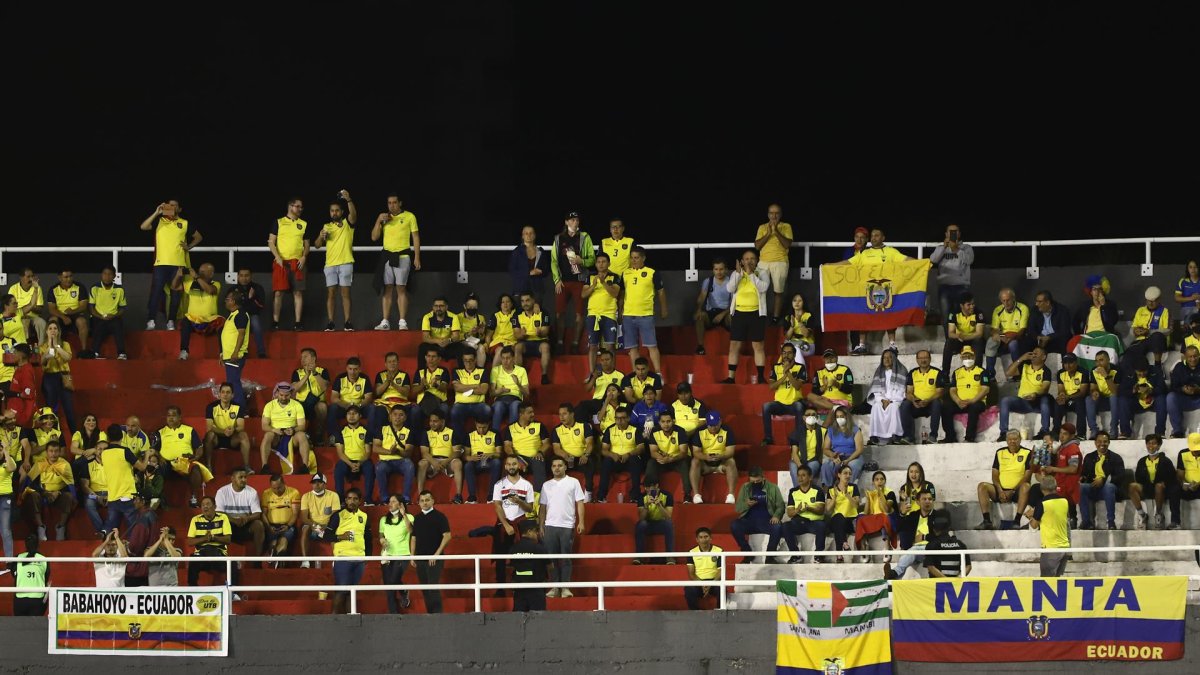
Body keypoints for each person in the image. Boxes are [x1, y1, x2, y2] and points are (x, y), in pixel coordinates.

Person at [140, 201, 202, 330]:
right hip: (161, 263)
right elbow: (143, 227)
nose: (171, 207)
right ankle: (151, 320)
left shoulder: (185, 223)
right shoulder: (160, 221)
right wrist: (157, 212)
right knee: (156, 291)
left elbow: (198, 237)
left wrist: (189, 246)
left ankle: (171, 321)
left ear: (179, 208)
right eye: (169, 205)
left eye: (174, 205)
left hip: (178, 265)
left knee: (176, 293)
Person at [538, 457, 587, 598]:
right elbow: (543, 507)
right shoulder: (546, 485)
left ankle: (565, 587)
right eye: (554, 465)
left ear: (565, 467)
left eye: (560, 465)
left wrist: (581, 522)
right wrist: (541, 525)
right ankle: (554, 587)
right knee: (551, 559)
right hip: (550, 525)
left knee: (565, 557)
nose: (557, 468)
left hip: (567, 525)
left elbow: (580, 503)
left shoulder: (573, 482)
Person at [372, 194, 421, 331]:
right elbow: (374, 237)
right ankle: (385, 321)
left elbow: (415, 237)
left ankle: (402, 321)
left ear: (400, 203)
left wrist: (417, 257)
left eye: (394, 202)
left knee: (401, 288)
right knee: (387, 289)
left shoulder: (410, 216)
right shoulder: (384, 218)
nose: (392, 205)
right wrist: (378, 221)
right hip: (387, 256)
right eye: (389, 203)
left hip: (403, 255)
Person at [550, 211, 596, 354]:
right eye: (571, 220)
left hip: (580, 281)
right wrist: (557, 280)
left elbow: (592, 259)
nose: (574, 223)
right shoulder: (558, 239)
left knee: (579, 314)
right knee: (559, 313)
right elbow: (554, 261)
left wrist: (581, 261)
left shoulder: (584, 237)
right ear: (566, 222)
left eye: (576, 220)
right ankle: (559, 342)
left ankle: (575, 343)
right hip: (563, 282)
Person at [721, 249, 769, 385]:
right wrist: (737, 274)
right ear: (741, 261)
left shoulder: (763, 273)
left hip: (756, 314)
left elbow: (763, 288)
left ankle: (760, 377)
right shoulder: (736, 274)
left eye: (752, 258)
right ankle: (731, 377)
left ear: (757, 260)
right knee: (734, 345)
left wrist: (751, 274)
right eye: (746, 259)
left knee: (758, 346)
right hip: (739, 313)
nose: (749, 261)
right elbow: (729, 289)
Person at [321, 487, 371, 614]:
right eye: (349, 498)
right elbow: (326, 535)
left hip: (360, 559)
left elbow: (368, 538)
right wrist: (340, 537)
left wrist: (367, 557)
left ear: (360, 501)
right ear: (345, 500)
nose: (352, 501)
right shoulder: (338, 515)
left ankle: (351, 621)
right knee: (341, 591)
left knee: (351, 593)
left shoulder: (364, 516)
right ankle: (334, 619)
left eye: (355, 499)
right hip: (343, 558)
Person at [154, 405, 213, 508]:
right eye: (168, 415)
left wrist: (196, 457)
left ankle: (194, 498)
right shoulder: (160, 432)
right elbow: (153, 450)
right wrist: (159, 457)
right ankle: (159, 498)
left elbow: (199, 447)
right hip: (166, 463)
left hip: (184, 462)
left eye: (174, 415)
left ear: (180, 417)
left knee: (195, 468)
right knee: (156, 468)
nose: (171, 418)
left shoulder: (189, 430)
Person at [314, 189, 357, 332]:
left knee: (345, 293)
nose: (334, 213)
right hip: (330, 264)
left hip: (345, 263)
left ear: (342, 212)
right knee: (331, 293)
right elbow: (317, 245)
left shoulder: (347, 223)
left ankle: (348, 322)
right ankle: (331, 322)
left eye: (337, 211)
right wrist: (321, 236)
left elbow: (354, 216)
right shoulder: (326, 226)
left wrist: (349, 200)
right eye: (332, 211)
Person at [491, 455, 535, 592]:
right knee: (500, 558)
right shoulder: (499, 484)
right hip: (503, 524)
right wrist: (505, 524)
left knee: (523, 556)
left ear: (519, 466)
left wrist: (520, 501)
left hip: (521, 523)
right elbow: (497, 506)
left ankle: (522, 585)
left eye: (514, 464)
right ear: (505, 467)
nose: (511, 466)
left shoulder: (527, 485)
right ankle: (500, 587)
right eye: (509, 464)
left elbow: (530, 508)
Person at [622, 246, 668, 376]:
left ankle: (658, 374)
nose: (633, 260)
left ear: (643, 258)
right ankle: (636, 375)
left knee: (651, 346)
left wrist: (664, 309)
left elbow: (661, 292)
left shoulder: (652, 272)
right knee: (632, 348)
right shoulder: (625, 273)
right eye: (631, 258)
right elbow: (621, 294)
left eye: (636, 258)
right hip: (628, 315)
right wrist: (620, 311)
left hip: (645, 315)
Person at [975, 430, 1033, 530]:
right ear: (1006, 440)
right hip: (1000, 491)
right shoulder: (1000, 452)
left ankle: (1017, 521)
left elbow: (1027, 476)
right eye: (1010, 439)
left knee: (1026, 486)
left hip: (1017, 492)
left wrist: (1012, 491)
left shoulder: (1027, 453)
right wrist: (1000, 490)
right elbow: (995, 475)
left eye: (1015, 439)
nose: (1012, 442)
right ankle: (987, 521)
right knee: (982, 486)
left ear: (1020, 440)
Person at [268, 198, 309, 330]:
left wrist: (304, 257)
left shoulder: (304, 224)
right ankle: (275, 322)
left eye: (301, 207)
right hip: (281, 263)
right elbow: (271, 242)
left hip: (297, 263)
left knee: (298, 293)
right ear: (290, 206)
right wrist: (277, 257)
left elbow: (307, 244)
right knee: (279, 293)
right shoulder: (279, 222)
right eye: (298, 206)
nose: (300, 209)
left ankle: (298, 323)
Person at [730, 466, 785, 563]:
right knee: (735, 525)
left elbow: (780, 505)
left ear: (763, 477)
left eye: (758, 481)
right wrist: (747, 504)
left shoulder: (773, 487)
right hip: (749, 521)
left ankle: (770, 556)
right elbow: (738, 508)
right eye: (753, 481)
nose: (755, 483)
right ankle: (747, 552)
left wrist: (776, 515)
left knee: (777, 526)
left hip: (767, 521)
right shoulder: (745, 487)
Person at [997, 346, 1054, 441]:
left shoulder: (1046, 371)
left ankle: (1045, 431)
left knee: (1045, 398)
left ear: (1043, 357)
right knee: (1005, 400)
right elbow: (1008, 373)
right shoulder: (1024, 366)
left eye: (1037, 353)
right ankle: (1004, 433)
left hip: (1037, 402)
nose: (1033, 354)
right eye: (1033, 352)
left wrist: (1035, 394)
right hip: (1023, 402)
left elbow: (1044, 388)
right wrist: (1021, 358)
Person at [23, 440, 75, 541]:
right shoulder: (40, 463)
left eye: (56, 451)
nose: (53, 454)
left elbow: (70, 485)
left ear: (60, 452)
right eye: (51, 451)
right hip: (43, 493)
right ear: (46, 452)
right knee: (33, 495)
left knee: (69, 496)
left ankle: (60, 527)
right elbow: (31, 482)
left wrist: (58, 492)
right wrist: (45, 493)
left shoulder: (65, 465)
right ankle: (41, 527)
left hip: (59, 494)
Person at [582, 252, 622, 378]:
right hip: (593, 315)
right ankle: (592, 373)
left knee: (610, 346)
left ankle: (611, 373)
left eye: (604, 262)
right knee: (593, 346)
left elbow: (615, 294)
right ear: (596, 264)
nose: (601, 264)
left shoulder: (615, 277)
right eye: (598, 262)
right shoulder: (589, 277)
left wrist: (603, 282)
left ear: (609, 263)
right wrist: (593, 285)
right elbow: (583, 295)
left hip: (609, 315)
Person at [1129, 434, 1181, 530]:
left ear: (1159, 445)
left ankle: (1158, 515)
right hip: (1147, 488)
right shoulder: (1142, 461)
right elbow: (1138, 478)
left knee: (1159, 485)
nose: (1151, 446)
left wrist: (1163, 483)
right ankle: (1142, 515)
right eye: (1148, 443)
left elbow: (1172, 478)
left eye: (1154, 443)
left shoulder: (1165, 461)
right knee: (1132, 486)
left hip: (1162, 490)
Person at [260, 382, 313, 475]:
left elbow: (302, 426)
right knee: (268, 435)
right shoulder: (269, 405)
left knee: (301, 435)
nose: (284, 398)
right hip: (276, 433)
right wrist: (274, 430)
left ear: (291, 394)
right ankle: (264, 466)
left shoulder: (297, 405)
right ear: (276, 393)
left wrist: (293, 430)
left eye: (286, 395)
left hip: (291, 434)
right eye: (281, 395)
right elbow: (264, 425)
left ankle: (305, 466)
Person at [1037, 424, 1083, 530]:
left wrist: (1053, 469)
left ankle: (1072, 521)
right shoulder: (1063, 447)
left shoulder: (1073, 449)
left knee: (1069, 504)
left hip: (1069, 485)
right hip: (1061, 483)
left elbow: (1073, 469)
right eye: (1061, 433)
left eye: (1065, 434)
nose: (1061, 436)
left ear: (1072, 436)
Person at [412, 490, 451, 613]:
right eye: (422, 500)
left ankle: (437, 615)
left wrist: (436, 555)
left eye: (427, 500)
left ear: (433, 501)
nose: (425, 503)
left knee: (432, 586)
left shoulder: (440, 517)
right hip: (420, 559)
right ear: (418, 503)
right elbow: (413, 537)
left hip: (435, 559)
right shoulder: (417, 519)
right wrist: (412, 556)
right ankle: (430, 614)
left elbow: (447, 536)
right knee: (425, 588)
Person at [929, 223, 974, 330]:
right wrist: (944, 247)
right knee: (946, 318)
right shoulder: (940, 248)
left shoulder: (966, 248)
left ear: (959, 234)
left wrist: (956, 249)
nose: (953, 233)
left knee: (961, 316)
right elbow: (933, 260)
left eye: (955, 231)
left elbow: (969, 260)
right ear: (946, 234)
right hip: (945, 287)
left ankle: (961, 342)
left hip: (961, 286)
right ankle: (950, 342)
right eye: (950, 231)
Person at [187, 496, 238, 589]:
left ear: (214, 506)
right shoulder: (195, 519)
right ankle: (192, 589)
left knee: (233, 564)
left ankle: (233, 592)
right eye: (203, 505)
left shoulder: (223, 517)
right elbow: (190, 542)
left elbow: (228, 540)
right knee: (193, 561)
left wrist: (214, 538)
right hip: (201, 555)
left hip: (219, 555)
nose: (205, 507)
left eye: (208, 504)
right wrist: (205, 539)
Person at [174, 262, 223, 360]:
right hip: (194, 320)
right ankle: (184, 351)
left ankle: (223, 353)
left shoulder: (216, 284)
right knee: (185, 321)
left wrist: (196, 277)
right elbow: (174, 287)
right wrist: (178, 276)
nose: (201, 273)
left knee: (222, 322)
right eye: (200, 271)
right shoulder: (190, 284)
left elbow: (209, 290)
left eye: (204, 271)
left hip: (210, 321)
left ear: (211, 274)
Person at [883, 490, 935, 580]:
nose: (927, 501)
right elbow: (898, 528)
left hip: (931, 549)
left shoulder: (938, 515)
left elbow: (942, 536)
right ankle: (892, 576)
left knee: (911, 551)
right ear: (918, 502)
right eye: (924, 499)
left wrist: (924, 537)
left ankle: (894, 573)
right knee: (911, 552)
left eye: (930, 499)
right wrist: (902, 514)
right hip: (915, 550)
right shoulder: (913, 515)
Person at [753, 204, 793, 322]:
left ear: (780, 214)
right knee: (759, 290)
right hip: (763, 262)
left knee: (778, 291)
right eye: (771, 213)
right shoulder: (762, 227)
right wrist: (768, 234)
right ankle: (760, 315)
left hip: (780, 262)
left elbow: (787, 244)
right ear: (768, 214)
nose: (774, 216)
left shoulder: (786, 226)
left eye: (776, 213)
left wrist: (776, 233)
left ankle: (775, 317)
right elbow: (757, 246)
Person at [1078, 431, 1126, 530]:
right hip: (1092, 487)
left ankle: (1111, 522)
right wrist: (1082, 478)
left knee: (1108, 487)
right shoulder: (1089, 457)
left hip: (1110, 490)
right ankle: (1086, 522)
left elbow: (1120, 476)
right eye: (1099, 441)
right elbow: (1084, 473)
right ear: (1095, 443)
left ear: (1109, 443)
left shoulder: (1116, 458)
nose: (1102, 444)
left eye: (1105, 441)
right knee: (1081, 487)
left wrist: (1103, 480)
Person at [762, 343, 807, 445]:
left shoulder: (800, 367)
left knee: (800, 406)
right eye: (784, 353)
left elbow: (797, 386)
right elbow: (771, 387)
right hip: (779, 404)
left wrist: (788, 373)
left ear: (794, 355)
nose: (786, 355)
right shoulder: (776, 367)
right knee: (766, 406)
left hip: (794, 403)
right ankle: (768, 438)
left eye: (789, 353)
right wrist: (783, 377)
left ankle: (798, 439)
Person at [416, 410, 465, 503]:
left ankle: (458, 495)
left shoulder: (451, 432)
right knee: (422, 463)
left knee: (458, 463)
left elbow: (457, 452)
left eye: (435, 421)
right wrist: (434, 462)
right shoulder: (426, 433)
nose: (432, 424)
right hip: (432, 460)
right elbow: (424, 452)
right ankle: (421, 496)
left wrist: (446, 461)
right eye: (430, 421)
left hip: (448, 461)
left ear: (442, 422)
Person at [689, 411, 737, 505]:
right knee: (695, 462)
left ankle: (731, 494)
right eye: (710, 425)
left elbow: (730, 451)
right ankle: (696, 495)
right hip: (705, 463)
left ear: (720, 422)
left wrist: (721, 456)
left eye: (715, 425)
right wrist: (705, 457)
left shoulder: (727, 431)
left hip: (721, 462)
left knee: (731, 461)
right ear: (706, 423)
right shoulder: (699, 432)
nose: (713, 427)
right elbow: (696, 452)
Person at [597, 408, 645, 503]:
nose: (620, 421)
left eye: (623, 418)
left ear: (628, 418)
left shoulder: (635, 429)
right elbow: (604, 450)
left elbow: (641, 448)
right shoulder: (610, 430)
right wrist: (612, 454)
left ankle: (635, 496)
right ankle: (601, 496)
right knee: (606, 462)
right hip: (615, 460)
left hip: (630, 460)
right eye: (617, 418)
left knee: (635, 460)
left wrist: (629, 454)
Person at [1026, 475, 1071, 577]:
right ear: (1056, 487)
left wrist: (1029, 516)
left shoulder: (1042, 504)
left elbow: (1034, 525)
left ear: (1042, 489)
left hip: (1050, 548)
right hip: (1065, 548)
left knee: (1047, 582)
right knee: (1057, 582)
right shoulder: (1065, 501)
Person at [373, 406, 417, 506]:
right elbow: (375, 448)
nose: (397, 417)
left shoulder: (409, 431)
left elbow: (408, 452)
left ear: (405, 418)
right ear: (390, 417)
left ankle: (406, 498)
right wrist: (390, 452)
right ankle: (384, 499)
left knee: (409, 465)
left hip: (402, 461)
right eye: (395, 414)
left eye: (401, 415)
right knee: (380, 467)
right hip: (385, 461)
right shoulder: (382, 429)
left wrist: (397, 451)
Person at [378, 494, 415, 613]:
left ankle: (403, 591)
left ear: (400, 504)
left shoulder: (409, 517)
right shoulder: (383, 519)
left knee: (393, 580)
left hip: (402, 554)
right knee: (389, 588)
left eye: (393, 501)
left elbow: (411, 531)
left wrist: (404, 514)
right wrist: (382, 540)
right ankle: (393, 615)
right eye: (389, 501)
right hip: (386, 555)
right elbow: (381, 535)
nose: (390, 504)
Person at [646, 410, 693, 502]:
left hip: (677, 459)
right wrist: (661, 458)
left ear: (673, 421)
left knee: (684, 463)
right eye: (663, 422)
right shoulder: (655, 431)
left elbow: (683, 452)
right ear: (659, 422)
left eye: (668, 421)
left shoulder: (680, 431)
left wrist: (671, 459)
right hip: (663, 460)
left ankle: (687, 495)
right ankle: (651, 493)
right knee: (651, 462)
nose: (666, 424)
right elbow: (653, 452)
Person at [782, 464, 826, 563]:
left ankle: (819, 555)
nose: (800, 478)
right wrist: (797, 510)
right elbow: (790, 513)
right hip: (798, 522)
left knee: (822, 525)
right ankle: (796, 555)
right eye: (798, 475)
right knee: (785, 526)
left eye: (803, 475)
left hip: (814, 522)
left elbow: (821, 510)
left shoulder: (818, 491)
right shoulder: (793, 491)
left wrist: (809, 508)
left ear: (810, 477)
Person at [333, 406, 376, 503]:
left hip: (362, 460)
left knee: (369, 467)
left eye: (354, 413)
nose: (351, 416)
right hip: (346, 461)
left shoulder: (366, 430)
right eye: (349, 413)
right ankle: (340, 499)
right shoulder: (340, 431)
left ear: (360, 416)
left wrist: (359, 463)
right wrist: (350, 463)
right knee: (339, 468)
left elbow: (368, 452)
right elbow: (340, 453)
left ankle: (368, 499)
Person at [1115, 356, 1167, 439]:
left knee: (1161, 399)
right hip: (1136, 402)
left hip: (1152, 400)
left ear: (1148, 368)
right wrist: (1133, 391)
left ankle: (1160, 432)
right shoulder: (1129, 374)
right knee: (1122, 400)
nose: (1142, 374)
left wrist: (1150, 390)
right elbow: (1121, 392)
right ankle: (1125, 432)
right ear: (1134, 370)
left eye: (1144, 371)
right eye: (1139, 372)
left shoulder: (1156, 371)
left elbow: (1163, 389)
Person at [900, 350, 946, 444]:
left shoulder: (937, 372)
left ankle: (933, 436)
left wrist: (928, 400)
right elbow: (908, 392)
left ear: (930, 359)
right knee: (905, 404)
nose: (923, 360)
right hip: (916, 404)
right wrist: (913, 400)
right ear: (917, 360)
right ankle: (909, 437)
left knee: (937, 402)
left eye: (925, 358)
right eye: (920, 358)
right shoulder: (912, 373)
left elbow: (940, 392)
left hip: (931, 404)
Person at [866, 348, 909, 445]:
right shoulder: (879, 372)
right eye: (884, 358)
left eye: (889, 357)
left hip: (895, 400)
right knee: (876, 407)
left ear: (894, 358)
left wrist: (891, 401)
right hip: (882, 400)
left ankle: (894, 436)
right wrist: (882, 400)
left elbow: (903, 391)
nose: (887, 360)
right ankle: (874, 435)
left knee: (893, 408)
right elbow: (876, 391)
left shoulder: (902, 371)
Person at [503, 402, 550, 491]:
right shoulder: (511, 428)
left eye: (533, 412)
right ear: (521, 414)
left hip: (535, 457)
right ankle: (508, 494)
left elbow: (547, 443)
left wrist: (540, 452)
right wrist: (515, 458)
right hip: (519, 458)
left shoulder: (539, 425)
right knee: (510, 464)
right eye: (529, 413)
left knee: (538, 461)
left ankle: (538, 495)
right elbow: (507, 446)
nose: (533, 414)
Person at [551, 403, 595, 498]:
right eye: (560, 414)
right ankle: (555, 493)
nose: (561, 417)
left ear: (572, 414)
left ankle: (588, 493)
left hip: (581, 458)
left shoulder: (584, 426)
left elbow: (590, 444)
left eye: (564, 414)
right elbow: (556, 449)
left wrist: (586, 454)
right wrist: (565, 455)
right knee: (554, 464)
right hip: (566, 459)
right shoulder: (557, 430)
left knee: (590, 462)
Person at [984, 288, 1031, 375]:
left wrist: (1011, 337)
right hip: (1003, 337)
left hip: (1018, 337)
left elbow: (1022, 330)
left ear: (1013, 298)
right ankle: (990, 374)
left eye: (1008, 300)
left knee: (1013, 344)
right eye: (1003, 301)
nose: (1006, 303)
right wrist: (1001, 337)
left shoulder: (1023, 308)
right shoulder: (997, 310)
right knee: (991, 341)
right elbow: (994, 329)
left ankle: (1017, 373)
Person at [47, 269, 92, 358]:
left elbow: (83, 306)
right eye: (66, 277)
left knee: (82, 321)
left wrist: (73, 311)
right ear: (60, 278)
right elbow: (51, 309)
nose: (69, 279)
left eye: (71, 276)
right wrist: (63, 317)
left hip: (75, 314)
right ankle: (52, 349)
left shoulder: (80, 287)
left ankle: (83, 351)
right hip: (60, 315)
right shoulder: (53, 289)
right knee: (52, 320)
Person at [327, 357, 373, 445]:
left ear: (360, 369)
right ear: (346, 368)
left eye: (355, 369)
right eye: (350, 369)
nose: (352, 372)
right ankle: (333, 436)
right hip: (344, 406)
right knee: (333, 408)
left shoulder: (365, 378)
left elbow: (368, 398)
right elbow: (334, 398)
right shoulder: (340, 378)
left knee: (372, 408)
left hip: (359, 407)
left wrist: (358, 406)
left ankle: (369, 437)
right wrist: (346, 405)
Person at [39, 321, 75, 430]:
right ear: (46, 331)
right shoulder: (43, 346)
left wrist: (56, 346)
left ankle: (76, 437)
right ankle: (53, 436)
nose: (53, 331)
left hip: (63, 377)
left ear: (59, 331)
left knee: (69, 409)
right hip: (49, 378)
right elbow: (45, 359)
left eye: (55, 328)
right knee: (51, 409)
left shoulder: (65, 344)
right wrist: (50, 345)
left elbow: (68, 357)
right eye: (50, 328)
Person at [204, 382, 251, 467]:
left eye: (228, 392)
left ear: (232, 395)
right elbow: (209, 427)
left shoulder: (238, 407)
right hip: (217, 438)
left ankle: (247, 466)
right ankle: (208, 466)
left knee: (243, 435)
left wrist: (233, 430)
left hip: (232, 438)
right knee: (209, 435)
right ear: (219, 394)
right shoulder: (211, 407)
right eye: (223, 392)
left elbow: (241, 426)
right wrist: (223, 431)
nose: (225, 395)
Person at [224, 269, 269, 358]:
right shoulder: (233, 290)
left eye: (246, 275)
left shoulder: (257, 288)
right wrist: (249, 300)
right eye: (241, 275)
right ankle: (233, 352)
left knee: (256, 324)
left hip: (252, 314)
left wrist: (249, 299)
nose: (244, 278)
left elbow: (260, 306)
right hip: (237, 315)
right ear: (237, 276)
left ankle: (261, 352)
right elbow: (229, 306)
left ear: (251, 276)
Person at [299, 473, 341, 567]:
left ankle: (336, 560)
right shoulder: (306, 496)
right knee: (305, 529)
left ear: (325, 484)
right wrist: (316, 526)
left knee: (335, 530)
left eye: (319, 482)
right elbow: (304, 518)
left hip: (328, 527)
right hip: (312, 526)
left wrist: (326, 527)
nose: (316, 485)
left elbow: (335, 516)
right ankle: (305, 561)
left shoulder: (333, 496)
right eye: (314, 482)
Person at [631, 477, 675, 565]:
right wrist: (646, 506)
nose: (647, 490)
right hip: (648, 524)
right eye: (646, 488)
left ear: (657, 486)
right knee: (640, 524)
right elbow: (641, 518)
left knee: (669, 524)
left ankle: (670, 556)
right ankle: (639, 556)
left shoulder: (667, 496)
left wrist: (659, 505)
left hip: (661, 524)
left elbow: (668, 517)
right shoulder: (642, 497)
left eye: (649, 487)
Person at [218, 290, 251, 406]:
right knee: (232, 382)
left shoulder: (240, 314)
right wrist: (222, 354)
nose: (225, 302)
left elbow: (241, 334)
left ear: (233, 301)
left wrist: (236, 352)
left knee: (234, 383)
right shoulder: (232, 316)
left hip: (235, 356)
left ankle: (240, 410)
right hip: (230, 355)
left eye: (227, 299)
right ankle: (238, 408)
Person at [87, 266, 127, 359]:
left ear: (114, 276)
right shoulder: (95, 288)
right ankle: (95, 352)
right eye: (105, 274)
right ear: (101, 275)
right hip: (98, 317)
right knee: (99, 324)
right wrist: (101, 316)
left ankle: (121, 353)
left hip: (113, 317)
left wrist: (113, 315)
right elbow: (91, 308)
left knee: (117, 324)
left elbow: (122, 308)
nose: (107, 276)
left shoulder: (119, 289)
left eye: (109, 274)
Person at [513, 292, 553, 385]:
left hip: (540, 342)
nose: (525, 303)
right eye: (522, 301)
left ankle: (544, 375)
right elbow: (516, 334)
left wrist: (540, 333)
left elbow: (545, 331)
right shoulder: (517, 314)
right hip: (525, 342)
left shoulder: (543, 312)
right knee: (518, 347)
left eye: (527, 300)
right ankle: (518, 376)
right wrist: (521, 335)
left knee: (545, 347)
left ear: (533, 301)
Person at [509, 519, 550, 611]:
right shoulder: (539, 548)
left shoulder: (513, 548)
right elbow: (550, 566)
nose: (537, 534)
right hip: (536, 589)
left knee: (519, 619)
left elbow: (511, 566)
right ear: (529, 532)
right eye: (536, 531)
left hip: (519, 590)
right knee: (538, 620)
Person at [693, 258, 731, 356]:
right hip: (711, 312)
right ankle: (700, 347)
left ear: (726, 270)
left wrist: (722, 314)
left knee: (734, 318)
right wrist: (698, 310)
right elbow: (701, 297)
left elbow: (736, 302)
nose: (719, 272)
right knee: (700, 316)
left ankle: (735, 348)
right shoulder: (708, 281)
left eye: (721, 269)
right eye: (716, 269)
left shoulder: (731, 282)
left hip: (726, 312)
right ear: (713, 270)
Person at [825, 464, 862, 562]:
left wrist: (847, 495)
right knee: (838, 517)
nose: (848, 476)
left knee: (840, 525)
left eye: (850, 474)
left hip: (850, 520)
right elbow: (828, 509)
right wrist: (834, 499)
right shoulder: (831, 490)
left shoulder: (853, 488)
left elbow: (856, 506)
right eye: (845, 473)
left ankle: (839, 554)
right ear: (839, 475)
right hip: (836, 520)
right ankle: (844, 543)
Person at [820, 406, 864, 488]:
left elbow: (860, 449)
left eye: (841, 416)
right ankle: (828, 490)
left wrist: (848, 460)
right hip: (837, 456)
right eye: (837, 417)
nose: (839, 419)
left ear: (847, 417)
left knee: (852, 466)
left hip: (853, 457)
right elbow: (825, 449)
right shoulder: (831, 430)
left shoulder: (855, 430)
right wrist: (833, 455)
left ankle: (848, 488)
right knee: (826, 465)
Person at [855, 471, 898, 555]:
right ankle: (864, 548)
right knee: (860, 517)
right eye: (877, 479)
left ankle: (887, 548)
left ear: (885, 481)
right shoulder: (872, 493)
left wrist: (880, 493)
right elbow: (867, 513)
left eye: (882, 479)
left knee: (884, 517)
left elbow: (886, 510)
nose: (879, 481)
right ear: (873, 482)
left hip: (889, 518)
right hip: (877, 519)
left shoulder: (890, 493)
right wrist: (868, 499)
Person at [1125, 286, 1170, 367]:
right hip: (1141, 341)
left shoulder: (1165, 311)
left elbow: (1168, 330)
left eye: (1153, 301)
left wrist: (1149, 332)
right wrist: (1134, 331)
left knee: (1157, 336)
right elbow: (1133, 328)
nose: (1150, 303)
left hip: (1157, 341)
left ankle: (1158, 367)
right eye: (1148, 301)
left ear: (1159, 300)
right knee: (1129, 353)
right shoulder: (1140, 310)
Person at [941, 292, 985, 374]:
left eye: (973, 304)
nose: (972, 307)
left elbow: (979, 333)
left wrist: (964, 337)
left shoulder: (978, 313)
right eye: (969, 305)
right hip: (960, 340)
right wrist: (958, 336)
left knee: (979, 341)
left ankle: (978, 373)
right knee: (949, 342)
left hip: (973, 340)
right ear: (962, 306)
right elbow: (950, 333)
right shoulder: (954, 313)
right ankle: (945, 373)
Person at [450, 351, 491, 435]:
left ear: (475, 360)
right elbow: (457, 388)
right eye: (466, 360)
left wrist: (464, 387)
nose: (468, 363)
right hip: (460, 404)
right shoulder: (457, 371)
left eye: (471, 360)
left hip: (478, 404)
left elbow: (483, 390)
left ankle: (482, 439)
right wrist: (475, 385)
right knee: (454, 411)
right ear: (463, 360)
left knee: (487, 410)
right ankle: (459, 441)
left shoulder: (482, 371)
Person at [261, 473, 301, 560]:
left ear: (284, 483)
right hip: (271, 526)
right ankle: (275, 558)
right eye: (274, 488)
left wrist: (288, 526)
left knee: (283, 540)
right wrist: (268, 527)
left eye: (279, 487)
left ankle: (276, 559)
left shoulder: (294, 492)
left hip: (288, 525)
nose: (277, 491)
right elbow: (263, 513)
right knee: (273, 543)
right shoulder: (266, 493)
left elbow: (295, 513)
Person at [922, 509, 971, 578]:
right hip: (956, 586)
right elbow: (968, 566)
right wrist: (959, 577)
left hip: (937, 586)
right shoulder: (960, 544)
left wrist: (946, 581)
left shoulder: (932, 545)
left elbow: (931, 567)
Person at [489, 346, 529, 430]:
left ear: (513, 358)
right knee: (498, 406)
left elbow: (526, 393)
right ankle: (495, 436)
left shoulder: (521, 370)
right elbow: (491, 393)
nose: (505, 361)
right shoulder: (495, 370)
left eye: (508, 358)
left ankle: (511, 436)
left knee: (515, 406)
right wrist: (499, 391)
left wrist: (518, 384)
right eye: (503, 358)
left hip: (515, 399)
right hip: (500, 399)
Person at [371, 351, 412, 434]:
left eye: (394, 361)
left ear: (398, 363)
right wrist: (387, 381)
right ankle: (379, 437)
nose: (392, 364)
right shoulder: (381, 375)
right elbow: (377, 392)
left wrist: (393, 384)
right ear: (385, 364)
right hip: (385, 402)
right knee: (379, 411)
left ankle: (409, 439)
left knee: (415, 411)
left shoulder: (404, 375)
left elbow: (406, 393)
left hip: (401, 402)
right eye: (389, 362)